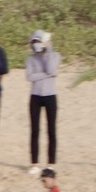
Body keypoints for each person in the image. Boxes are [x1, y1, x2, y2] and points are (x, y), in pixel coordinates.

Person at [25, 30, 61, 166]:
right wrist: (45, 74)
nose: (36, 45)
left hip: (50, 95)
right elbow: (29, 76)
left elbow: (51, 69)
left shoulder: (55, 55)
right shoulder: (30, 58)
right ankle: (34, 163)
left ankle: (51, 163)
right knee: (35, 130)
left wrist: (47, 51)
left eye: (38, 41)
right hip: (35, 96)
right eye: (34, 42)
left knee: (51, 129)